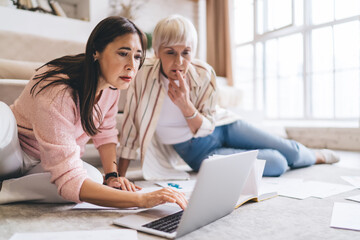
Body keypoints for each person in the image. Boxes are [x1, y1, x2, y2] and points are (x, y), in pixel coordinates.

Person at [117, 15, 340, 178]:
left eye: (186, 52)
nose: (179, 61)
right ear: (157, 53)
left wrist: (185, 106)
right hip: (196, 151)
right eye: (170, 53)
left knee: (289, 150)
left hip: (224, 125)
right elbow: (130, 128)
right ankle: (297, 156)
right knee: (277, 164)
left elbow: (209, 124)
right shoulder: (142, 76)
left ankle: (315, 156)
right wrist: (118, 176)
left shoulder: (203, 73)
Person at [0, 16, 187, 209]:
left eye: (138, 56)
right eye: (123, 53)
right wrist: (141, 200)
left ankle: (6, 190)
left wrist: (112, 176)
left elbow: (105, 133)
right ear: (96, 51)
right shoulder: (58, 91)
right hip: (13, 155)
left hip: (43, 165)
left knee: (93, 179)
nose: (132, 65)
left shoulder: (111, 86)